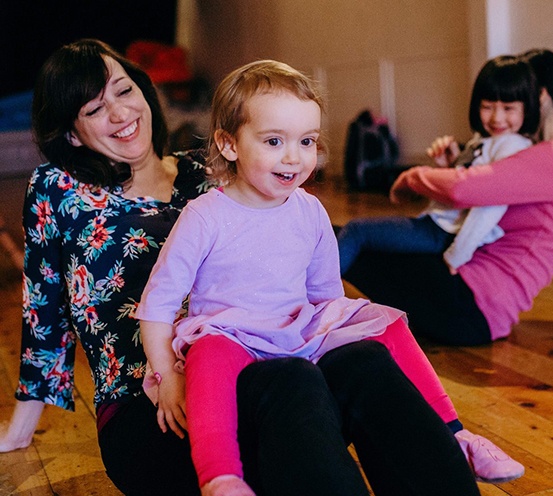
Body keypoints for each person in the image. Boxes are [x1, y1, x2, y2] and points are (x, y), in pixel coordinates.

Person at [0, 39, 417, 496]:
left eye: (123, 91)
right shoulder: (61, 189)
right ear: (74, 134)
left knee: (366, 362)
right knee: (291, 383)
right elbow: (45, 303)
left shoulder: (208, 170)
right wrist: (25, 421)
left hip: (264, 361)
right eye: (95, 108)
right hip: (154, 405)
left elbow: (302, 230)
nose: (120, 114)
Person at [136, 59, 510, 496]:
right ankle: (221, 477)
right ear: (229, 144)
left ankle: (455, 432)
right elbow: (159, 305)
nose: (294, 157)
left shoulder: (310, 210)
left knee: (384, 324)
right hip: (231, 334)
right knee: (207, 357)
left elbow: (326, 293)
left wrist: (339, 330)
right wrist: (166, 375)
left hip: (296, 329)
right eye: (274, 141)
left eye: (307, 141)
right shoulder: (205, 216)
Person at [343, 48, 553, 346]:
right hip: (468, 294)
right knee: (346, 238)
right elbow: (479, 189)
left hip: (470, 305)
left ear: (539, 96)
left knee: (345, 239)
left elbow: (463, 189)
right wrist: (455, 164)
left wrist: (413, 176)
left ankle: (297, 315)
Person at [337, 55, 539, 275]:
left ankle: (313, 299)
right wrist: (451, 165)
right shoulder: (485, 140)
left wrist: (457, 255)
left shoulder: (512, 145)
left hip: (441, 232)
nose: (497, 118)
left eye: (508, 108)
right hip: (438, 225)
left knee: (356, 231)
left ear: (527, 108)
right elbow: (467, 185)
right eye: (487, 107)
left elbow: (489, 206)